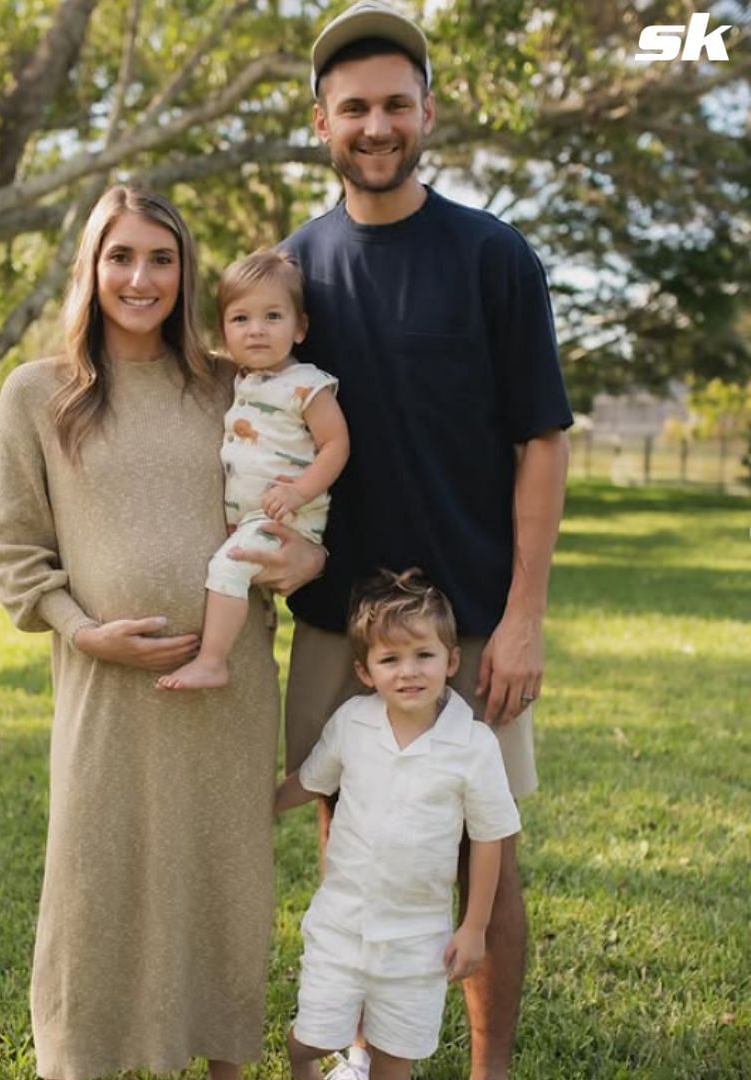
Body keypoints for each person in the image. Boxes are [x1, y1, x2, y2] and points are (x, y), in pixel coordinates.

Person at [263, 4, 573, 1077]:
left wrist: (523, 615)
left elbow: (541, 439)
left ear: (429, 111)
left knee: (485, 851)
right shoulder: (293, 274)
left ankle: (488, 1065)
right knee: (347, 843)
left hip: (473, 625)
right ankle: (359, 1054)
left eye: (397, 103)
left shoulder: (495, 257)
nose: (378, 124)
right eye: (355, 108)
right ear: (322, 122)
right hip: (331, 628)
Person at [0, 185, 278, 1080]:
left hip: (228, 688)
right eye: (122, 256)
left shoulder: (236, 385)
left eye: (162, 257)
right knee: (92, 890)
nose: (141, 277)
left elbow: (297, 501)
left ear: (186, 271)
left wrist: (296, 561)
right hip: (106, 691)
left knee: (227, 888)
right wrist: (84, 633)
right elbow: (17, 555)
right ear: (91, 267)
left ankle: (222, 1056)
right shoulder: (39, 393)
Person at [274, 570, 521, 1080]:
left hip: (418, 942)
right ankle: (303, 1061)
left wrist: (473, 928)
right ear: (365, 672)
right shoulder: (351, 723)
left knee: (394, 1061)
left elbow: (489, 838)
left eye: (423, 656)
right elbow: (311, 782)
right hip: (342, 926)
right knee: (318, 1038)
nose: (408, 672)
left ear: (451, 662)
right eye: (390, 659)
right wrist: (255, 806)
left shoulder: (473, 747)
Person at [158, 250, 348, 691]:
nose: (256, 330)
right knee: (234, 569)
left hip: (288, 515)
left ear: (300, 327)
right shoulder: (241, 380)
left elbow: (336, 445)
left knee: (229, 567)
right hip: (253, 517)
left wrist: (300, 492)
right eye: (240, 319)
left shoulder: (308, 384)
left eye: (273, 316)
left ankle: (212, 660)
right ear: (223, 330)